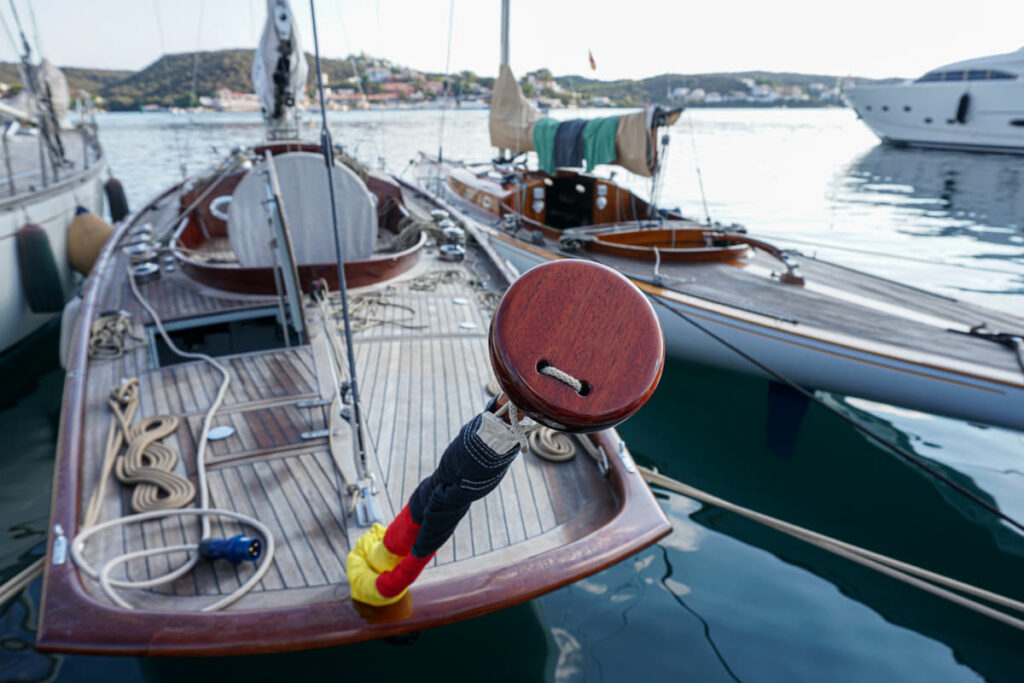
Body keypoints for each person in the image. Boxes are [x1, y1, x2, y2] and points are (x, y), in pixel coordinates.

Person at [346, 394, 525, 606]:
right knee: (439, 507)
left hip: (463, 462)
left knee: (434, 493)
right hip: (470, 470)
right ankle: (386, 555)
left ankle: (384, 555)